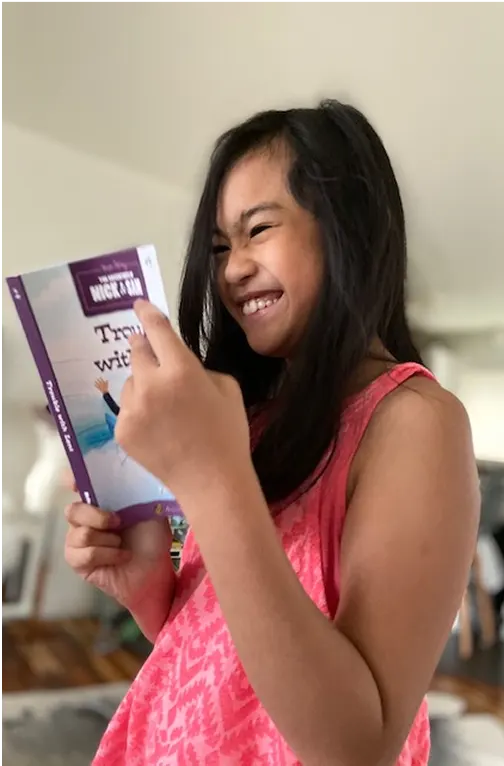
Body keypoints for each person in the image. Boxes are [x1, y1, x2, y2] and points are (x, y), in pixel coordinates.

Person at [64, 100, 480, 766]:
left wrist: (211, 479)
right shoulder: (255, 421)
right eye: (220, 247)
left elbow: (355, 748)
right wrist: (151, 593)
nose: (231, 269)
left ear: (348, 230)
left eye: (258, 229)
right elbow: (230, 664)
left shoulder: (416, 423)